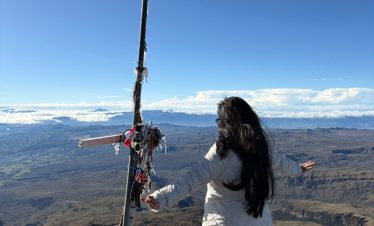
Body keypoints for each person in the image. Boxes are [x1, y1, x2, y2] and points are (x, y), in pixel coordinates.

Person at [141, 96, 315, 226]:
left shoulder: (221, 153)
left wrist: (160, 198)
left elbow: (190, 181)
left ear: (224, 122)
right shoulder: (261, 148)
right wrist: (299, 169)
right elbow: (282, 163)